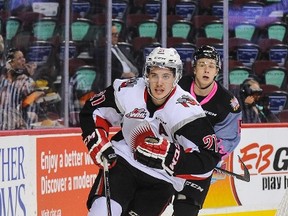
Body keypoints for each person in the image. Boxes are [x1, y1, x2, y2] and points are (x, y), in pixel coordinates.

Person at [79, 47, 222, 216]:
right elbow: (93, 110)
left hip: (162, 179)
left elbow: (208, 157)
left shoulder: (187, 111)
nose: (159, 82)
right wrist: (97, 140)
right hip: (123, 163)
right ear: (146, 74)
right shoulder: (129, 90)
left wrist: (172, 158)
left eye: (166, 76)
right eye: (154, 75)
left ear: (176, 77)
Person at [175, 45, 242, 216]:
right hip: (169, 156)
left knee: (187, 209)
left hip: (197, 164)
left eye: (211, 65)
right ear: (195, 68)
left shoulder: (227, 103)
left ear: (216, 71)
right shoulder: (176, 87)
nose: (206, 69)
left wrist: (211, 158)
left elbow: (227, 140)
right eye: (202, 64)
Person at [0, 48, 45, 129]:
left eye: (23, 57)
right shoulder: (2, 80)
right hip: (2, 128)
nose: (23, 60)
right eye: (19, 58)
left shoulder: (25, 80)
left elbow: (35, 96)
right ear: (10, 62)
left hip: (16, 129)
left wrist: (31, 75)